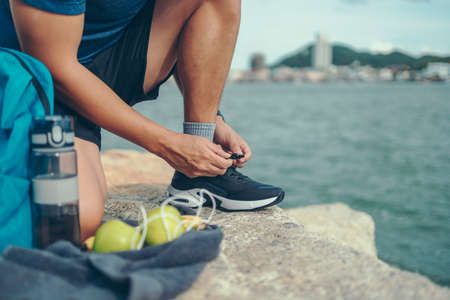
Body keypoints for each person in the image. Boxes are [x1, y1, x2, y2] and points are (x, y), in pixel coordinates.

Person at [2, 0, 284, 240]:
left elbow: (181, 23)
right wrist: (168, 145)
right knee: (69, 220)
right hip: (41, 83)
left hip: (107, 61)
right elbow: (54, 66)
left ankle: (198, 177)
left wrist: (213, 119)